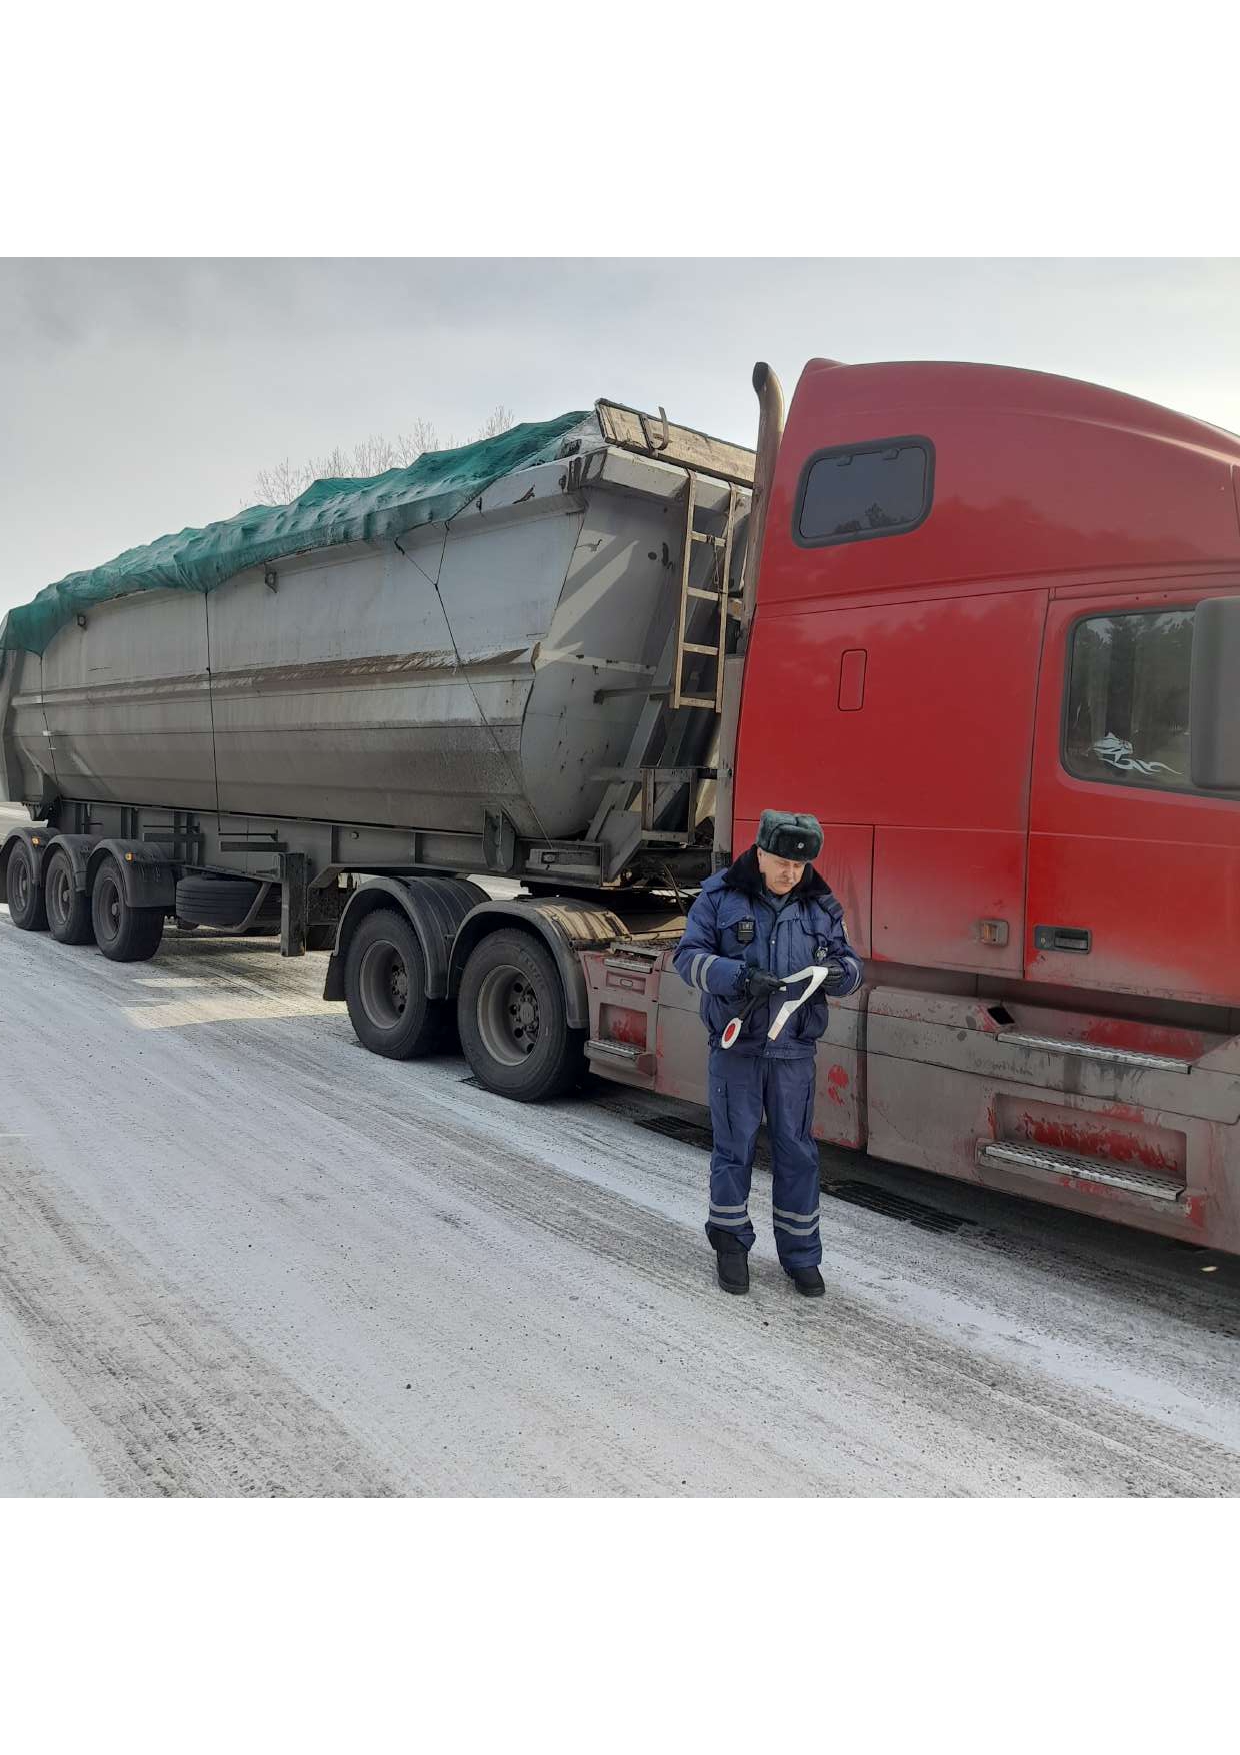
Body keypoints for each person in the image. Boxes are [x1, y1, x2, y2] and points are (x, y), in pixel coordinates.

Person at [672, 810, 863, 1298]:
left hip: (794, 1051)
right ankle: (731, 1245)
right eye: (782, 863)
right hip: (737, 1047)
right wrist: (736, 977)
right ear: (760, 853)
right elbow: (687, 959)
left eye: (799, 867)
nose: (791, 875)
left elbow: (849, 962)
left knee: (798, 1153)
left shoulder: (820, 904)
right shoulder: (719, 895)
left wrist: (841, 975)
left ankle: (801, 1255)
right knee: (733, 1149)